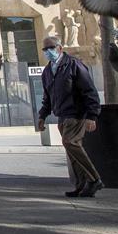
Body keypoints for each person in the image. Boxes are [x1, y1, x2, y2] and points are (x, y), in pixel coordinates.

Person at [35, 35, 103, 198]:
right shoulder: (47, 71)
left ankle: (94, 179)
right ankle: (81, 185)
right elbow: (48, 97)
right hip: (62, 115)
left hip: (76, 114)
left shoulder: (73, 65)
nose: (48, 52)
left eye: (51, 48)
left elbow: (89, 90)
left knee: (70, 142)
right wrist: (42, 116)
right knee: (71, 149)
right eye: (45, 49)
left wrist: (92, 115)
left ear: (59, 48)